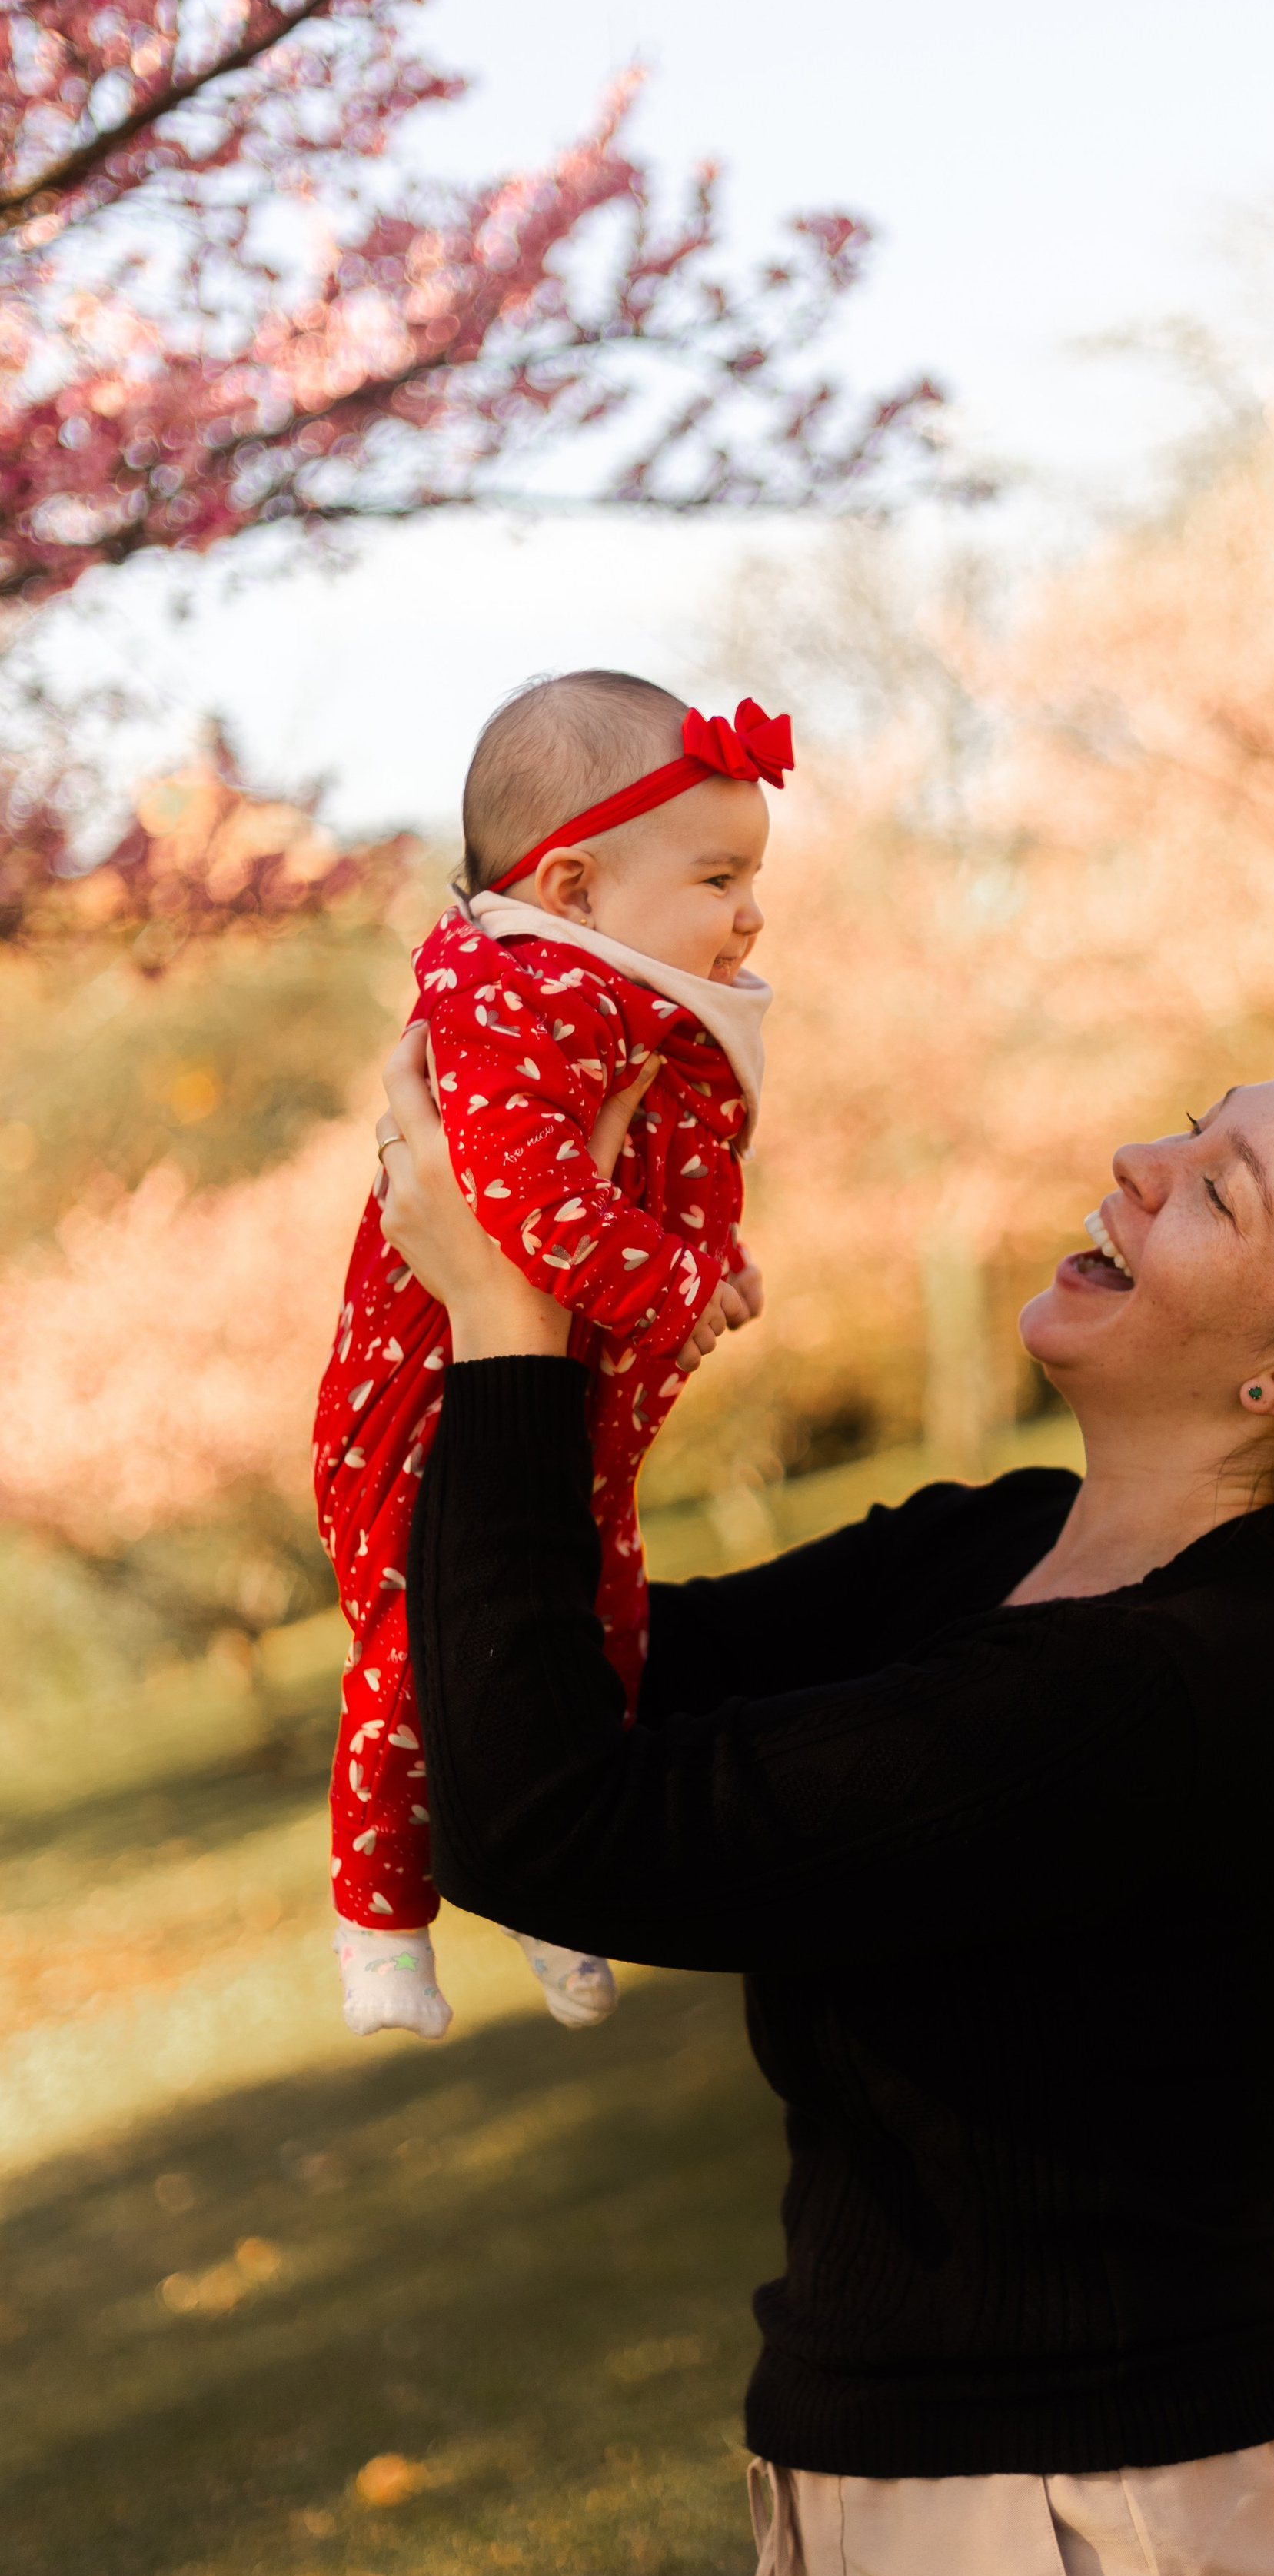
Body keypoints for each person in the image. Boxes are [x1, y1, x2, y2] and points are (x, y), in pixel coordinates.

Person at [372, 1052, 1274, 2576]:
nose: (1134, 1160)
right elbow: (537, 1680)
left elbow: (552, 1826)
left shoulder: (1148, 1690)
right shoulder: (999, 1551)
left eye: (1218, 1190)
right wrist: (565, 1282)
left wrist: (506, 1337)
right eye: (1191, 1127)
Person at [314, 671, 787, 2042]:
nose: (752, 912)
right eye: (720, 875)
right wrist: (676, 1280)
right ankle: (378, 1925)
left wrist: (708, 1257)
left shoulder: (619, 1002)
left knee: (596, 1633)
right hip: (430, 1398)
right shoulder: (519, 1002)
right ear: (574, 889)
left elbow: (638, 1173)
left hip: (568, 1398)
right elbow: (527, 1206)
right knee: (413, 1643)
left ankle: (549, 1890)